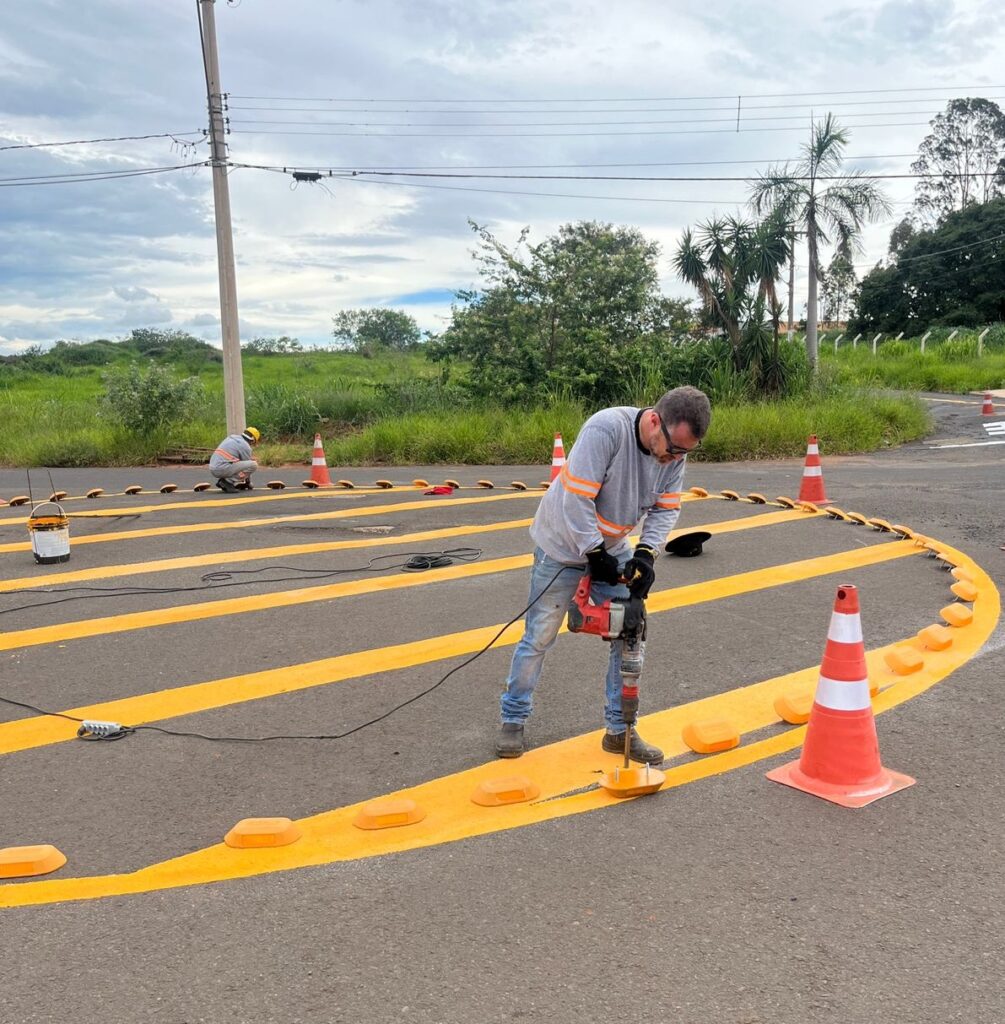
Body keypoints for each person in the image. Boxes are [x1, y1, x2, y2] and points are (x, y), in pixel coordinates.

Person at [497, 385, 711, 763]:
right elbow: (576, 499)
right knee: (540, 636)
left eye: (685, 452)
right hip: (562, 546)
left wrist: (645, 554)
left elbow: (665, 510)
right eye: (674, 448)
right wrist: (594, 553)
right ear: (655, 421)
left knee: (631, 631)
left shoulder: (674, 455)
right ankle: (513, 719)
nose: (676, 458)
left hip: (612, 547)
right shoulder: (606, 430)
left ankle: (619, 730)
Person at [209, 426, 261, 493]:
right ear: (253, 439)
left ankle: (224, 480)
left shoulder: (231, 437)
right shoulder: (245, 446)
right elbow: (247, 466)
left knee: (237, 463)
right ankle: (227, 482)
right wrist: (248, 483)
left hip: (213, 467)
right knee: (253, 465)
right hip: (221, 468)